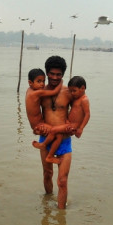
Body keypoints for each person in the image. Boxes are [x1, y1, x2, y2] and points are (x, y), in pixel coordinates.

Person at [33, 56, 76, 209]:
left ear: (63, 75)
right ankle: (48, 202)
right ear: (47, 73)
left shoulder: (69, 92)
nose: (55, 77)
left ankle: (61, 214)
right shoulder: (39, 92)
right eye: (52, 74)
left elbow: (78, 113)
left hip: (64, 141)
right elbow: (34, 119)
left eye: (58, 75)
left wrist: (73, 127)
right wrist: (39, 127)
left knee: (62, 181)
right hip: (46, 140)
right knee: (47, 173)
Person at [34, 75, 90, 163]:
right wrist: (67, 121)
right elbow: (73, 112)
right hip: (69, 125)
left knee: (53, 130)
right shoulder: (76, 99)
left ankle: (44, 146)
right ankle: (50, 156)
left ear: (82, 88)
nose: (72, 93)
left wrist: (81, 128)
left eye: (74, 91)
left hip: (72, 126)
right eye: (70, 91)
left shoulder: (84, 100)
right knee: (59, 136)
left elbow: (87, 115)